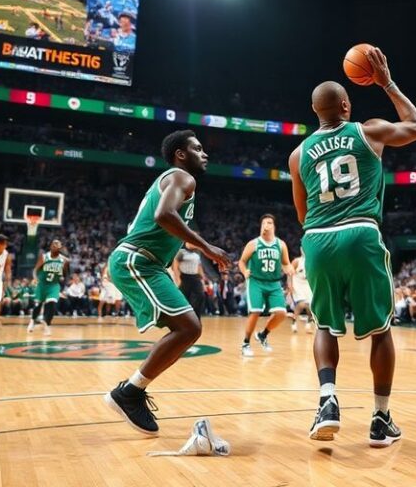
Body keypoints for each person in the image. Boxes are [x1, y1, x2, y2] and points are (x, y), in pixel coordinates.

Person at [289, 47, 416, 446]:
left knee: (325, 324)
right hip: (360, 232)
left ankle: (327, 400)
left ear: (315, 111)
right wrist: (386, 82)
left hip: (316, 238)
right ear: (346, 104)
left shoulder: (298, 155)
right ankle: (381, 418)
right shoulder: (367, 130)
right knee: (380, 330)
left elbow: (302, 212)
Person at [103, 130, 231, 436]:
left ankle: (130, 392)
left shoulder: (176, 180)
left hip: (147, 263)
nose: (205, 154)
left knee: (188, 327)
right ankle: (129, 393)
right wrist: (206, 247)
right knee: (189, 327)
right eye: (198, 149)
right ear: (180, 154)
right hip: (138, 260)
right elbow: (163, 214)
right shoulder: (183, 177)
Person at [238, 214, 294, 356]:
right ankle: (245, 343)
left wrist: (289, 271)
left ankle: (263, 335)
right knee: (255, 311)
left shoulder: (281, 244)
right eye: (263, 223)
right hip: (256, 281)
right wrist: (244, 271)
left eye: (269, 223)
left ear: (274, 227)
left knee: (282, 313)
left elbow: (286, 263)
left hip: (274, 283)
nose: (266, 225)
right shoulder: (253, 244)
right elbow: (241, 261)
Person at [29, 239, 69, 336]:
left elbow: (66, 273)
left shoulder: (64, 260)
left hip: (54, 285)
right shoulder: (44, 257)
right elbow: (35, 270)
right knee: (38, 306)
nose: (56, 246)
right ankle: (32, 320)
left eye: (58, 244)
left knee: (52, 304)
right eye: (54, 244)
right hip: (42, 285)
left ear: (60, 247)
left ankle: (47, 325)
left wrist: (63, 278)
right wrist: (35, 278)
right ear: (51, 246)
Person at [172, 243, 207, 319]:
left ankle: (196, 318)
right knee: (184, 298)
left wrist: (203, 279)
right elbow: (175, 265)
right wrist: (178, 279)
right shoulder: (181, 252)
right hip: (184, 277)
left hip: (195, 277)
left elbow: (199, 266)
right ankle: (184, 319)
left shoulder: (197, 253)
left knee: (201, 295)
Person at [288, 249, 314, 333]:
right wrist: (290, 285)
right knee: (301, 304)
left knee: (311, 306)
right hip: (297, 285)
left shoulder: (312, 261)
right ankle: (294, 322)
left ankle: (308, 324)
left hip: (307, 285)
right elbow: (289, 273)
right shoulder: (297, 261)